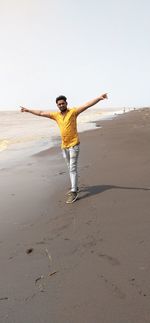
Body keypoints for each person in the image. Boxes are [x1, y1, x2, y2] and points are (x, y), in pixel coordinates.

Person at [20, 93, 108, 203]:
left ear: (66, 103)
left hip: (74, 145)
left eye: (62, 103)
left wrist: (99, 98)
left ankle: (74, 191)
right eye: (59, 104)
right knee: (69, 167)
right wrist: (28, 110)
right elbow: (41, 113)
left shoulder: (73, 112)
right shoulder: (56, 115)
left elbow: (86, 105)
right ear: (57, 105)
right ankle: (74, 186)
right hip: (64, 146)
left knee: (72, 168)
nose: (61, 105)